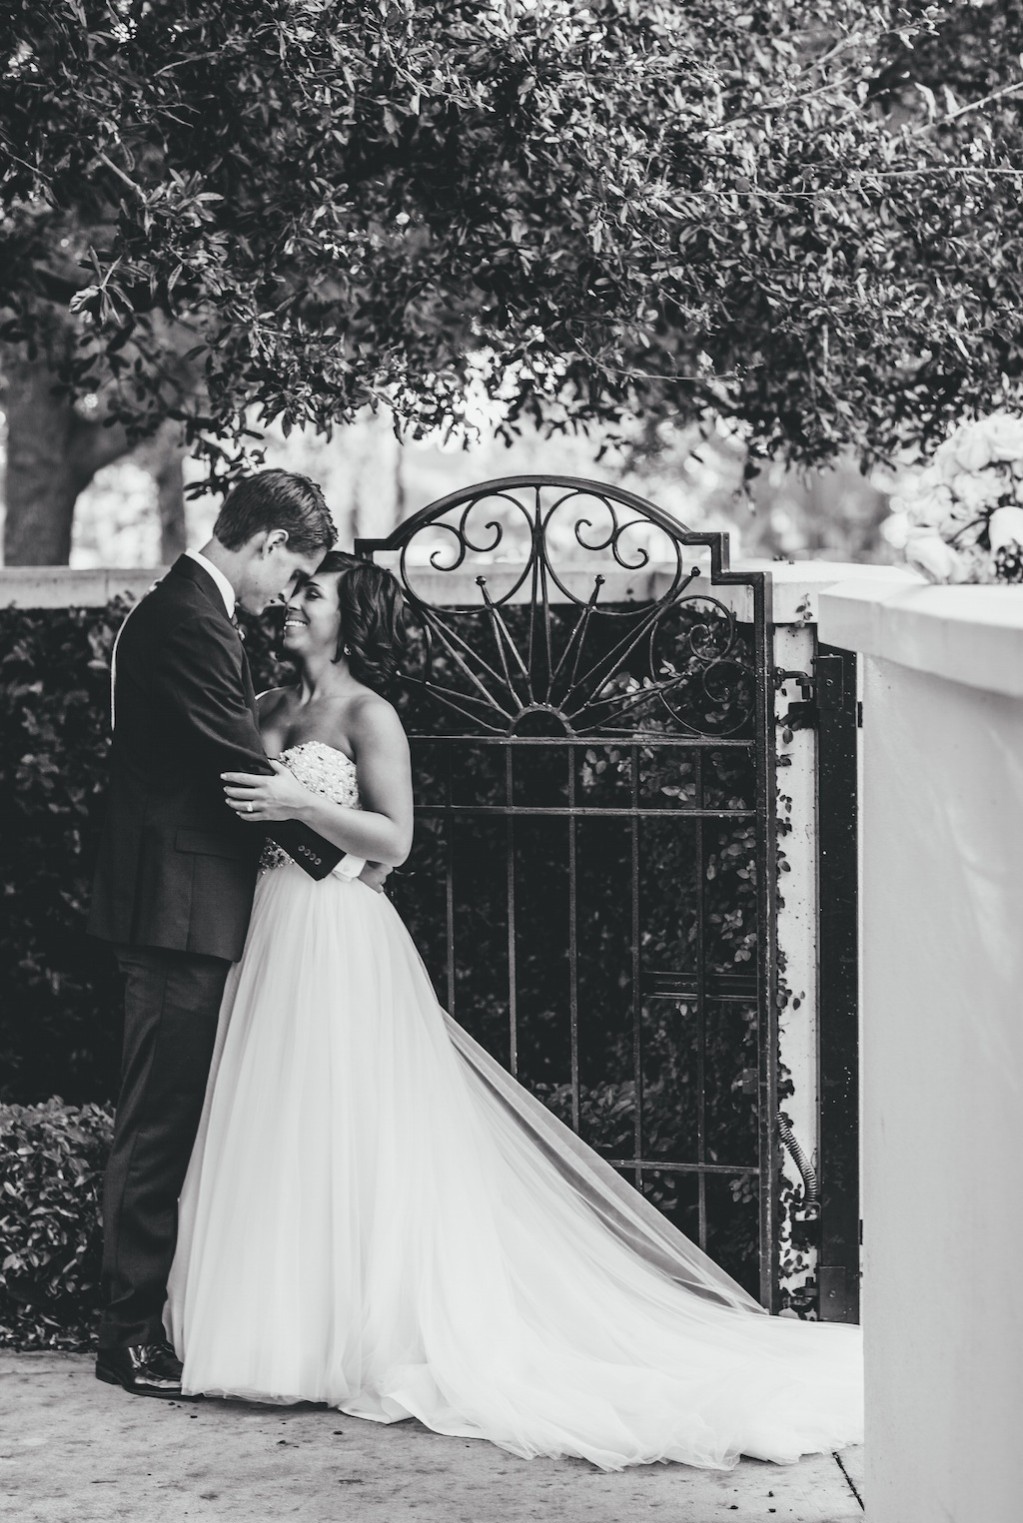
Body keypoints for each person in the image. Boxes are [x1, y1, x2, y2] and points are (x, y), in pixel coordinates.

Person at [165, 552, 863, 1471]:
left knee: (358, 1129)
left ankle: (368, 1331)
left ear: (349, 619)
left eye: (311, 595)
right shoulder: (257, 712)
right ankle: (283, 1334)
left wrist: (300, 800)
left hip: (337, 940)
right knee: (278, 1126)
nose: (289, 606)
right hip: (266, 931)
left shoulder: (367, 714)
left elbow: (395, 842)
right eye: (287, 591)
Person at [89, 471, 386, 1399]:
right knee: (159, 1120)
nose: (283, 594)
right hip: (178, 910)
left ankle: (142, 1322)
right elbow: (237, 768)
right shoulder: (189, 620)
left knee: (175, 1115)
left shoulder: (188, 614)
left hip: (189, 905)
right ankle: (129, 1334)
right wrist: (347, 872)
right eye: (290, 569)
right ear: (261, 544)